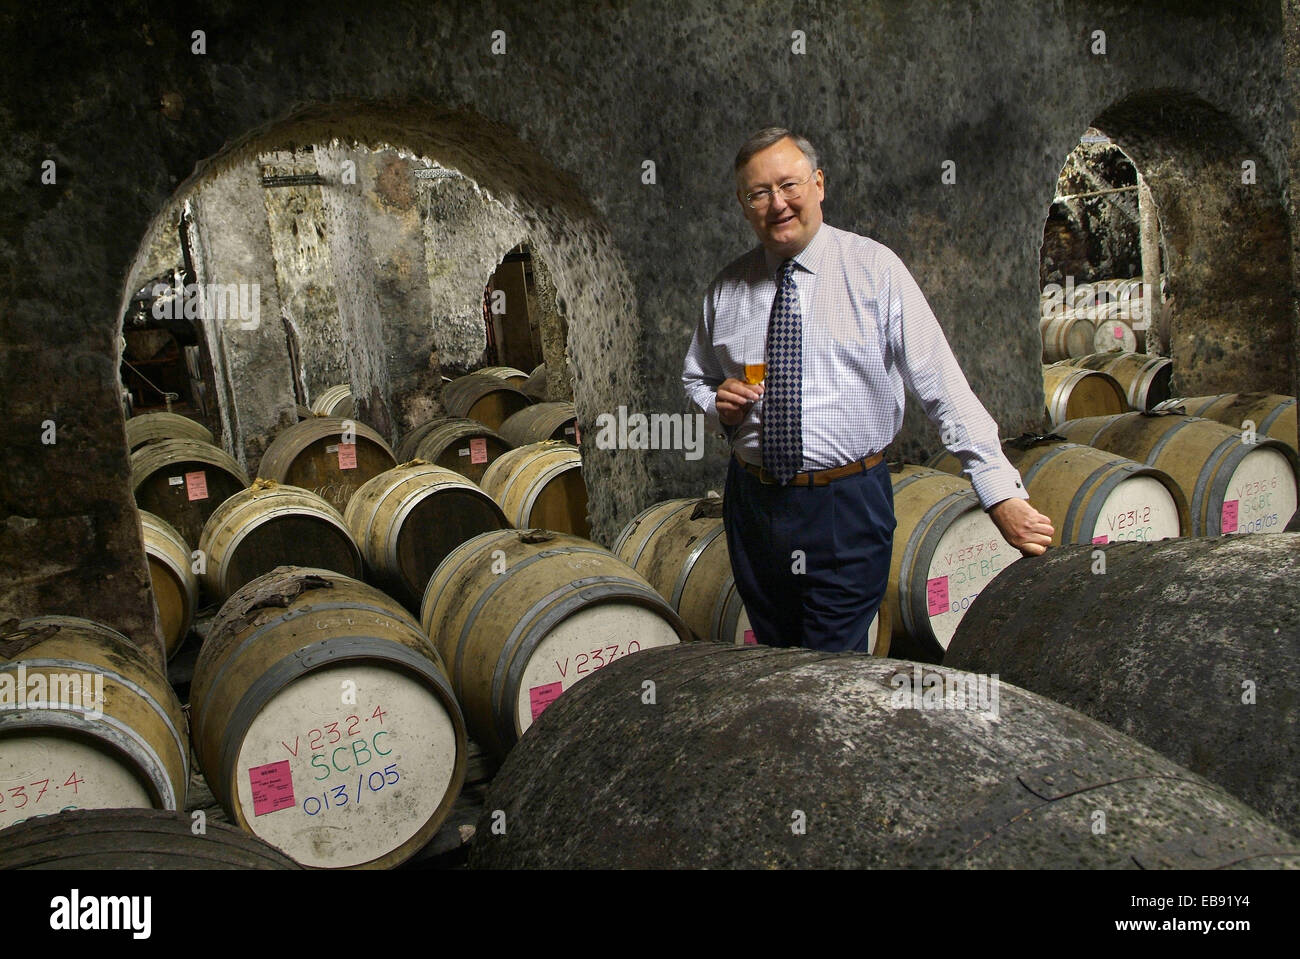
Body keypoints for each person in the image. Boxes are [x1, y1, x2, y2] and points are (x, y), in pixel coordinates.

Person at [681, 127, 1054, 653]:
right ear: (743, 205)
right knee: (775, 660)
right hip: (755, 506)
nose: (777, 204)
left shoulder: (874, 270)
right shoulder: (727, 288)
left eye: (788, 185)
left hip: (845, 504)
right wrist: (718, 404)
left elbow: (942, 385)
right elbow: (696, 378)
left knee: (832, 667)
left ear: (818, 184)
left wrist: (999, 492)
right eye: (758, 193)